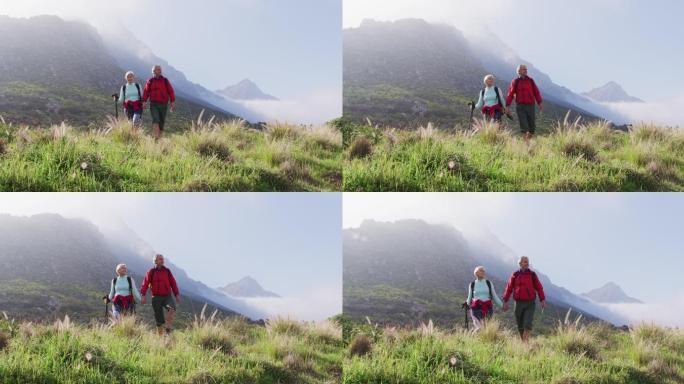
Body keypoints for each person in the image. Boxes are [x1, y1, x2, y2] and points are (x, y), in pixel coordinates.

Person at [502, 256, 546, 342]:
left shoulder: (532, 275)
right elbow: (509, 288)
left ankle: (526, 343)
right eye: (525, 262)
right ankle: (524, 343)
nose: (527, 263)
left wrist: (542, 300)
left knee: (527, 323)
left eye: (527, 262)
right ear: (520, 263)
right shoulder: (515, 275)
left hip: (530, 303)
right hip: (518, 303)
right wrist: (505, 300)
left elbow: (539, 288)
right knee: (520, 325)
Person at [140, 254, 181, 335]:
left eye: (163, 259)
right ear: (155, 261)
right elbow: (145, 283)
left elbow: (173, 283)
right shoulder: (151, 272)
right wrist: (143, 295)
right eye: (160, 259)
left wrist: (176, 294)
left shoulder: (167, 271)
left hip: (167, 296)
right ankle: (160, 338)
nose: (162, 261)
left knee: (171, 309)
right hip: (156, 298)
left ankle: (168, 329)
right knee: (159, 319)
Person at [505, 65, 543, 143]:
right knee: (524, 126)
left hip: (531, 106)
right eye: (523, 69)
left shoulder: (530, 80)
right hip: (520, 106)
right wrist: (507, 105)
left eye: (526, 69)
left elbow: (536, 92)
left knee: (532, 127)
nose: (526, 70)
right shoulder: (515, 81)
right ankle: (526, 145)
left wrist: (540, 102)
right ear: (519, 71)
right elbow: (511, 93)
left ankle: (528, 140)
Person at [142, 65, 176, 140]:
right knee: (155, 119)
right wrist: (144, 101)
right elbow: (146, 91)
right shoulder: (150, 81)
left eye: (158, 70)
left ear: (160, 71)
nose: (156, 71)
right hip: (154, 104)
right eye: (154, 70)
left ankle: (159, 139)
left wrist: (172, 102)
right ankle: (156, 138)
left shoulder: (165, 80)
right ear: (152, 71)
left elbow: (171, 91)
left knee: (161, 123)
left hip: (163, 104)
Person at [466, 266, 503, 330]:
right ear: (476, 273)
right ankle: (472, 336)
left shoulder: (488, 283)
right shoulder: (472, 284)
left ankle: (479, 338)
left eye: (484, 271)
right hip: (476, 309)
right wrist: (466, 304)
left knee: (487, 328)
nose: (483, 272)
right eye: (481, 270)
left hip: (488, 308)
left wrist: (502, 305)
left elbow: (494, 296)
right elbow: (469, 297)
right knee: (480, 327)